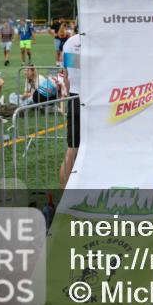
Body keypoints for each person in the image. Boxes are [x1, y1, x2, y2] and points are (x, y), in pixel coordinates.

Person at [59, 29, 82, 188]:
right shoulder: (98, 41)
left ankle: (64, 193)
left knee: (72, 149)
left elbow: (66, 76)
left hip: (74, 96)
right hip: (93, 98)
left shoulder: (70, 42)